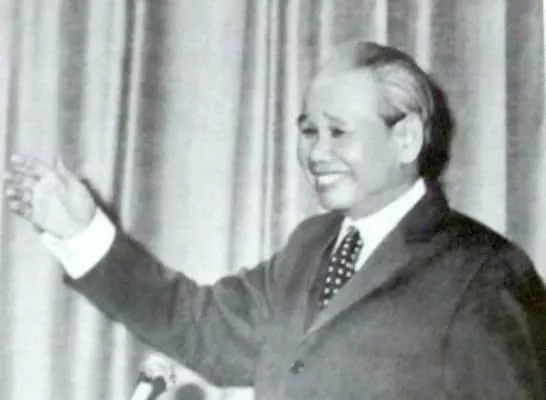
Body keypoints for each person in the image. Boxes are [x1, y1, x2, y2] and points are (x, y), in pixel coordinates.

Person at [3, 41, 546, 399]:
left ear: (405, 138)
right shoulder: (310, 247)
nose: (316, 153)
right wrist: (83, 234)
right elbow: (198, 324)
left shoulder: (485, 273)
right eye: (308, 131)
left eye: (338, 132)